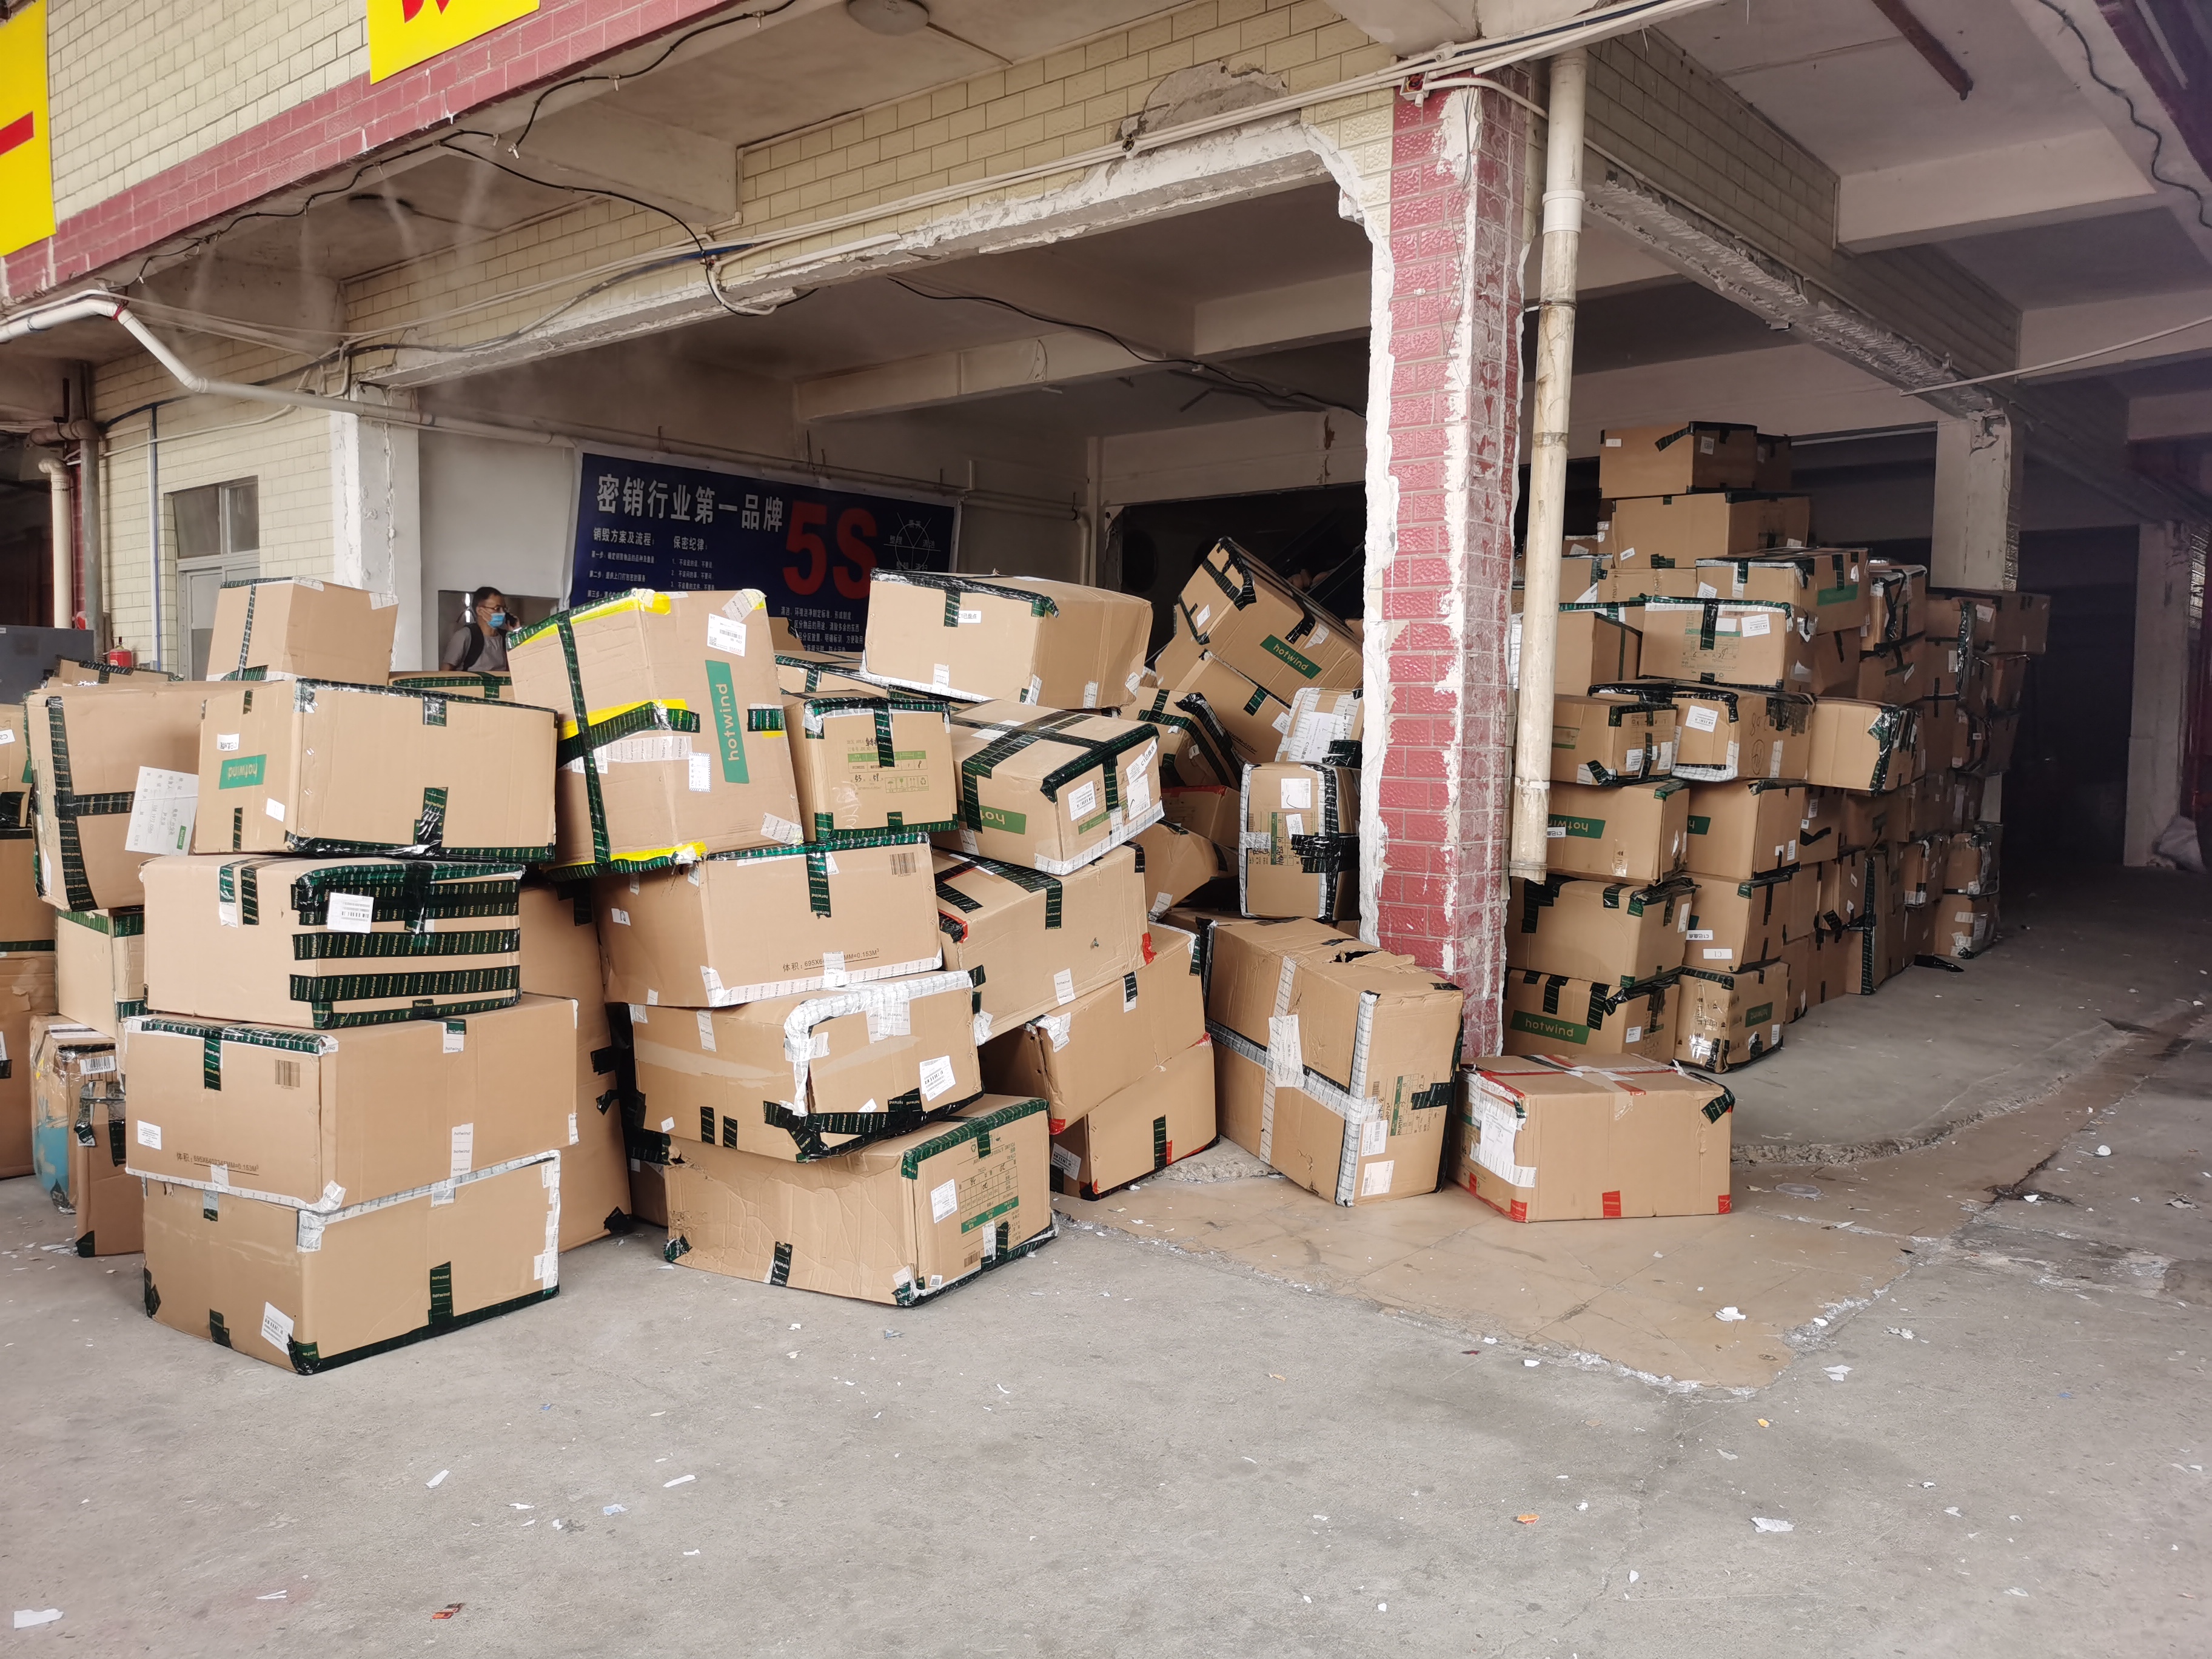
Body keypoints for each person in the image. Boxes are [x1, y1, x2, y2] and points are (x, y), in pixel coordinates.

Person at [441, 586, 513, 671]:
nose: (502, 613)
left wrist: (516, 632)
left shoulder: (506, 638)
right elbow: (445, 672)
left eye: (504, 609)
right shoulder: (465, 636)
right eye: (497, 609)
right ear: (480, 611)